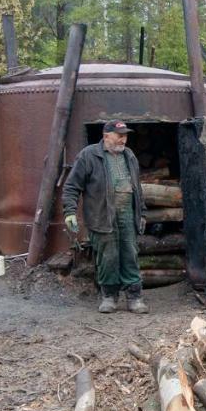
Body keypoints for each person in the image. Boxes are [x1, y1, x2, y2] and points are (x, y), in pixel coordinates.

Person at [61, 120, 148, 314]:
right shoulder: (89, 155)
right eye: (119, 135)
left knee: (130, 255)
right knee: (107, 257)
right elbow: (72, 186)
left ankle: (134, 297)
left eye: (125, 135)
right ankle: (109, 296)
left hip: (127, 214)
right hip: (101, 215)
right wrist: (69, 212)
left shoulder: (129, 155)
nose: (123, 139)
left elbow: (137, 188)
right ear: (106, 135)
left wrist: (141, 212)